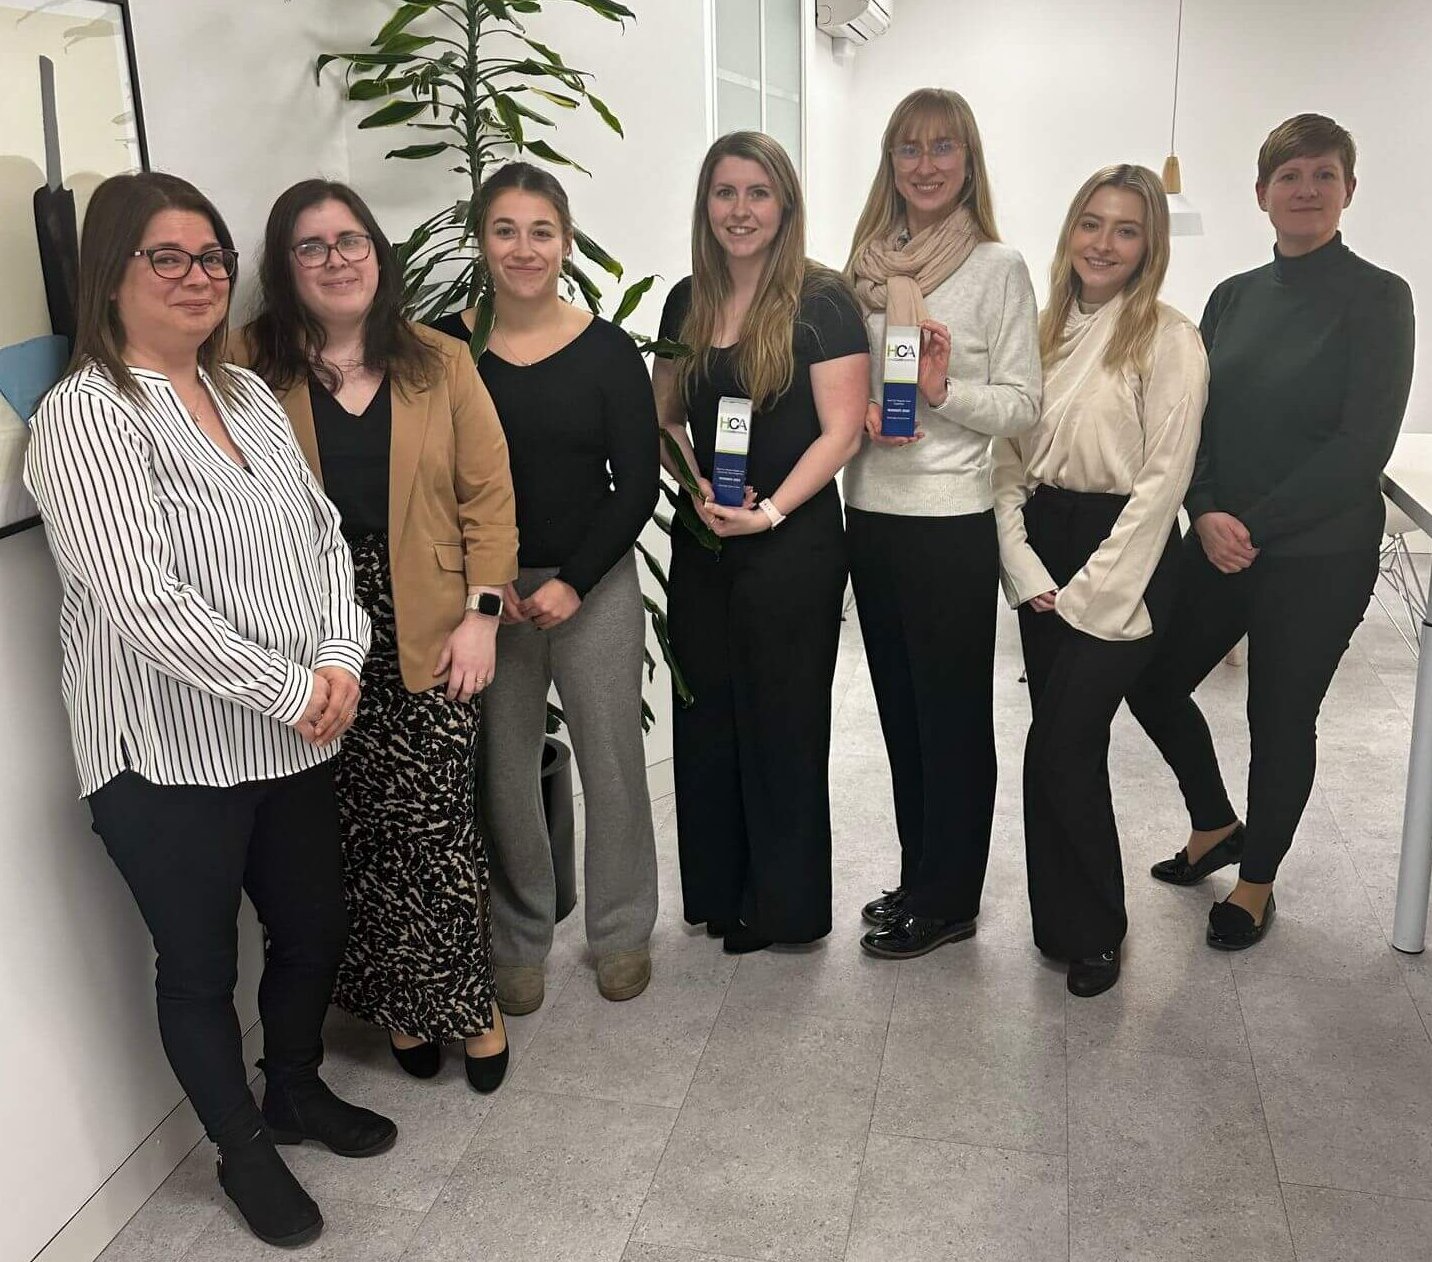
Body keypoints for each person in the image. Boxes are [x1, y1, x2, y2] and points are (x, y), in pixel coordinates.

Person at [24, 172, 395, 1249]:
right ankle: (241, 1149)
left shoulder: (243, 393)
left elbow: (320, 537)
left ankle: (294, 1086)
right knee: (197, 967)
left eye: (214, 257)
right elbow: (140, 600)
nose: (200, 277)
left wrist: (340, 654)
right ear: (111, 274)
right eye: (169, 258)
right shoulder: (87, 415)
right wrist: (293, 688)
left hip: (292, 736)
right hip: (164, 756)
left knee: (314, 925)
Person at [236, 180, 518, 1089]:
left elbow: (488, 496)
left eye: (351, 240)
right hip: (310, 631)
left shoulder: (440, 359)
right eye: (311, 246)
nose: (336, 260)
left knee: (437, 827)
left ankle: (470, 1009)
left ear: (378, 253)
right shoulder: (246, 365)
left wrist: (482, 617)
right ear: (286, 266)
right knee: (354, 833)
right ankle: (402, 1009)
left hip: (431, 624)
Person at [1126, 114, 1415, 950]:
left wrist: (1248, 524)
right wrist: (1203, 509)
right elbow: (1196, 419)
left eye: (1324, 175)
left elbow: (1361, 445)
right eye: (1290, 177)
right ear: (1262, 194)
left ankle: (1255, 883)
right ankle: (1215, 824)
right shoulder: (1233, 297)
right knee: (1149, 679)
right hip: (1219, 538)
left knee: (1278, 717)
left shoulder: (1380, 297)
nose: (1306, 191)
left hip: (1319, 555)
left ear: (1349, 189)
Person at [429, 162, 660, 1014]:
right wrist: (484, 590)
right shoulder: (441, 348)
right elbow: (429, 477)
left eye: (541, 231)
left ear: (565, 242)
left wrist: (574, 582)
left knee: (612, 760)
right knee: (503, 768)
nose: (523, 249)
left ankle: (622, 932)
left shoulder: (608, 350)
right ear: (480, 240)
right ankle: (519, 938)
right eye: (505, 230)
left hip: (591, 582)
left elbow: (637, 484)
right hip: (481, 597)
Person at [992, 165, 1207, 996]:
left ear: (1150, 245)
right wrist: (1021, 562)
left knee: (1062, 746)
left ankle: (1098, 931)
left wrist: (1088, 592)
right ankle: (1061, 925)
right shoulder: (1041, 331)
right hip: (1044, 540)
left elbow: (1163, 483)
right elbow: (1005, 458)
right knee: (1058, 744)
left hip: (1128, 552)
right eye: (1092, 223)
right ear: (1070, 231)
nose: (1104, 244)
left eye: (1126, 229)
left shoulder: (1169, 339)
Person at [654, 131, 869, 953]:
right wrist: (698, 489)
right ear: (705, 205)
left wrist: (770, 511)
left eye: (757, 193)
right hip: (707, 540)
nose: (739, 210)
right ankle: (720, 893)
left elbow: (842, 431)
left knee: (782, 725)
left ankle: (783, 907)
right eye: (725, 192)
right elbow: (665, 420)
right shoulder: (687, 300)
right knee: (708, 719)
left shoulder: (822, 301)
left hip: (792, 544)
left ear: (785, 205)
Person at [844, 87, 1041, 959]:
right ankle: (918, 873)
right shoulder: (864, 268)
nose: (925, 165)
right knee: (900, 714)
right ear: (891, 163)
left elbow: (1024, 404)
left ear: (968, 162)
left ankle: (951, 898)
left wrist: (941, 390)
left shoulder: (999, 268)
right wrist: (856, 414)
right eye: (909, 149)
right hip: (870, 513)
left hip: (950, 521)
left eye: (943, 148)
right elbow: (844, 385)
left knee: (952, 718)